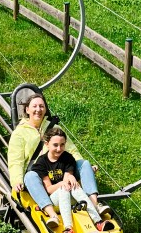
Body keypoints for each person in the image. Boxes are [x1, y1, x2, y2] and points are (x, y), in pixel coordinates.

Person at [7, 91, 102, 225]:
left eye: (41, 106)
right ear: (27, 109)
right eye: (34, 106)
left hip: (62, 171)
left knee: (84, 164)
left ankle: (94, 204)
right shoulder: (19, 133)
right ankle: (50, 212)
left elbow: (71, 150)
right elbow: (15, 160)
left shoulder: (54, 127)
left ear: (45, 109)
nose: (38, 109)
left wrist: (84, 169)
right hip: (41, 175)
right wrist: (17, 180)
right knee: (30, 176)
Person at [31, 127, 114, 233]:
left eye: (62, 145)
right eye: (55, 145)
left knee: (73, 186)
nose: (59, 149)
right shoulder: (41, 162)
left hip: (69, 196)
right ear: (47, 144)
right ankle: (68, 228)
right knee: (64, 188)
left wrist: (70, 178)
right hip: (54, 200)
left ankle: (98, 221)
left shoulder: (67, 158)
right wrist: (63, 182)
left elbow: (68, 181)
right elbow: (49, 189)